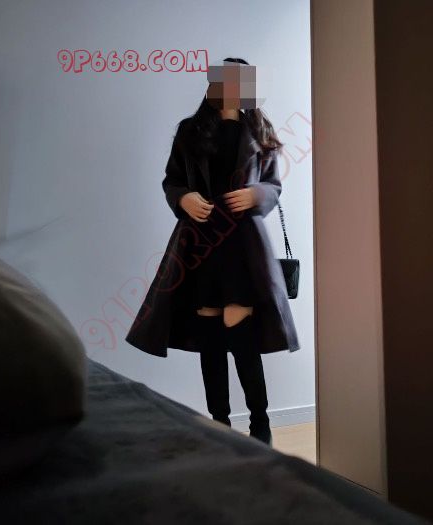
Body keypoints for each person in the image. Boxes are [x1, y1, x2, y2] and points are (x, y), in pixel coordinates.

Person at [174, 57, 284, 446]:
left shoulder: (260, 131)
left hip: (241, 244)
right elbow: (173, 180)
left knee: (240, 333)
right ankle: (219, 423)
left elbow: (273, 185)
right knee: (210, 337)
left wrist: (256, 195)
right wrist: (183, 198)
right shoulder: (190, 130)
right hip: (201, 242)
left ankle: (260, 424)